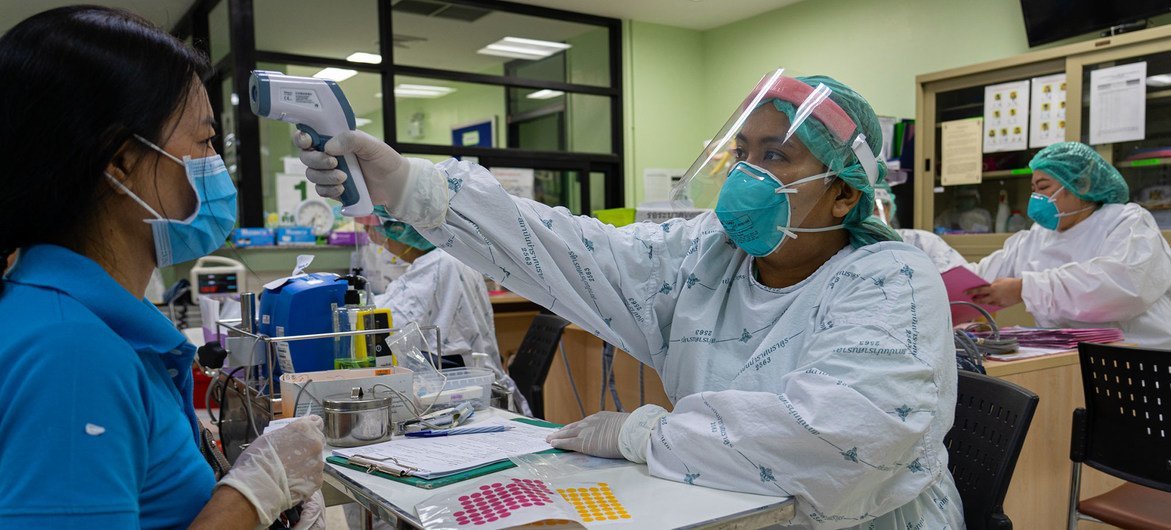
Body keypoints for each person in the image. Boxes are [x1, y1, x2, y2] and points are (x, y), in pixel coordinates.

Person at [298, 70, 963, 528]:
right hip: (726, 511)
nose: (746, 175)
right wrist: (414, 189)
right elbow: (578, 253)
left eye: (776, 156)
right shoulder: (710, 254)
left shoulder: (890, 283)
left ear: (844, 192)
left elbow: (843, 440)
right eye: (741, 154)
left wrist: (644, 433)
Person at [0, 7, 324, 528]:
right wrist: (248, 497)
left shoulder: (83, 323)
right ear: (121, 161)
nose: (216, 165)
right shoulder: (71, 354)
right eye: (203, 142)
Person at [967, 141, 1171, 350]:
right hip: (1069, 361)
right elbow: (978, 278)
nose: (1036, 197)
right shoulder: (1036, 238)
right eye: (1033, 189)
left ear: (1081, 185)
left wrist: (1025, 289)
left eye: (1044, 187)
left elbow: (1123, 286)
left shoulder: (1127, 222)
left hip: (1144, 359)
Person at [369, 208, 530, 415]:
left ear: (402, 231)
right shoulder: (449, 256)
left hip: (464, 391)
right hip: (474, 380)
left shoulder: (438, 263)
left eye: (383, 233)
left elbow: (389, 319)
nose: (382, 241)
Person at [874, 182, 967, 271]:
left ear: (890, 209)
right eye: (860, 211)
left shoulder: (924, 242)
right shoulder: (859, 252)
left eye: (875, 209)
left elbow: (964, 278)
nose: (866, 216)